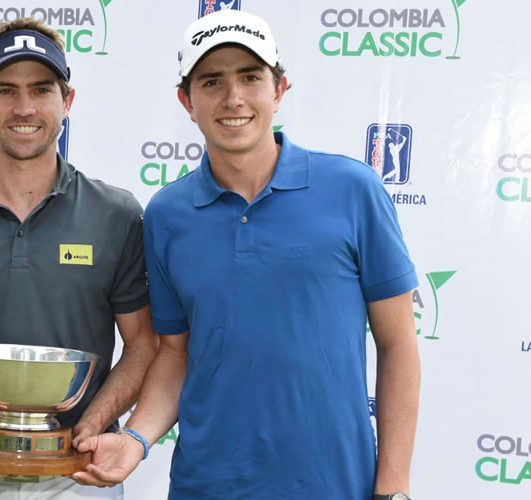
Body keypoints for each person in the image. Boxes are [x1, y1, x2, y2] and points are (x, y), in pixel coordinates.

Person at [73, 10, 421, 500]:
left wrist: (394, 487)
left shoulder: (353, 190)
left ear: (278, 91)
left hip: (335, 485)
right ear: (186, 102)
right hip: (205, 485)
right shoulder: (168, 213)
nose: (233, 98)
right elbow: (175, 354)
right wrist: (135, 439)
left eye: (250, 78)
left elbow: (399, 345)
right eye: (211, 81)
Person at [0, 18, 158, 499]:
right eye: (5, 90)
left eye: (41, 90)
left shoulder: (117, 214)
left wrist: (94, 422)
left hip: (80, 478)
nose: (24, 108)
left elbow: (143, 345)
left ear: (68, 101)